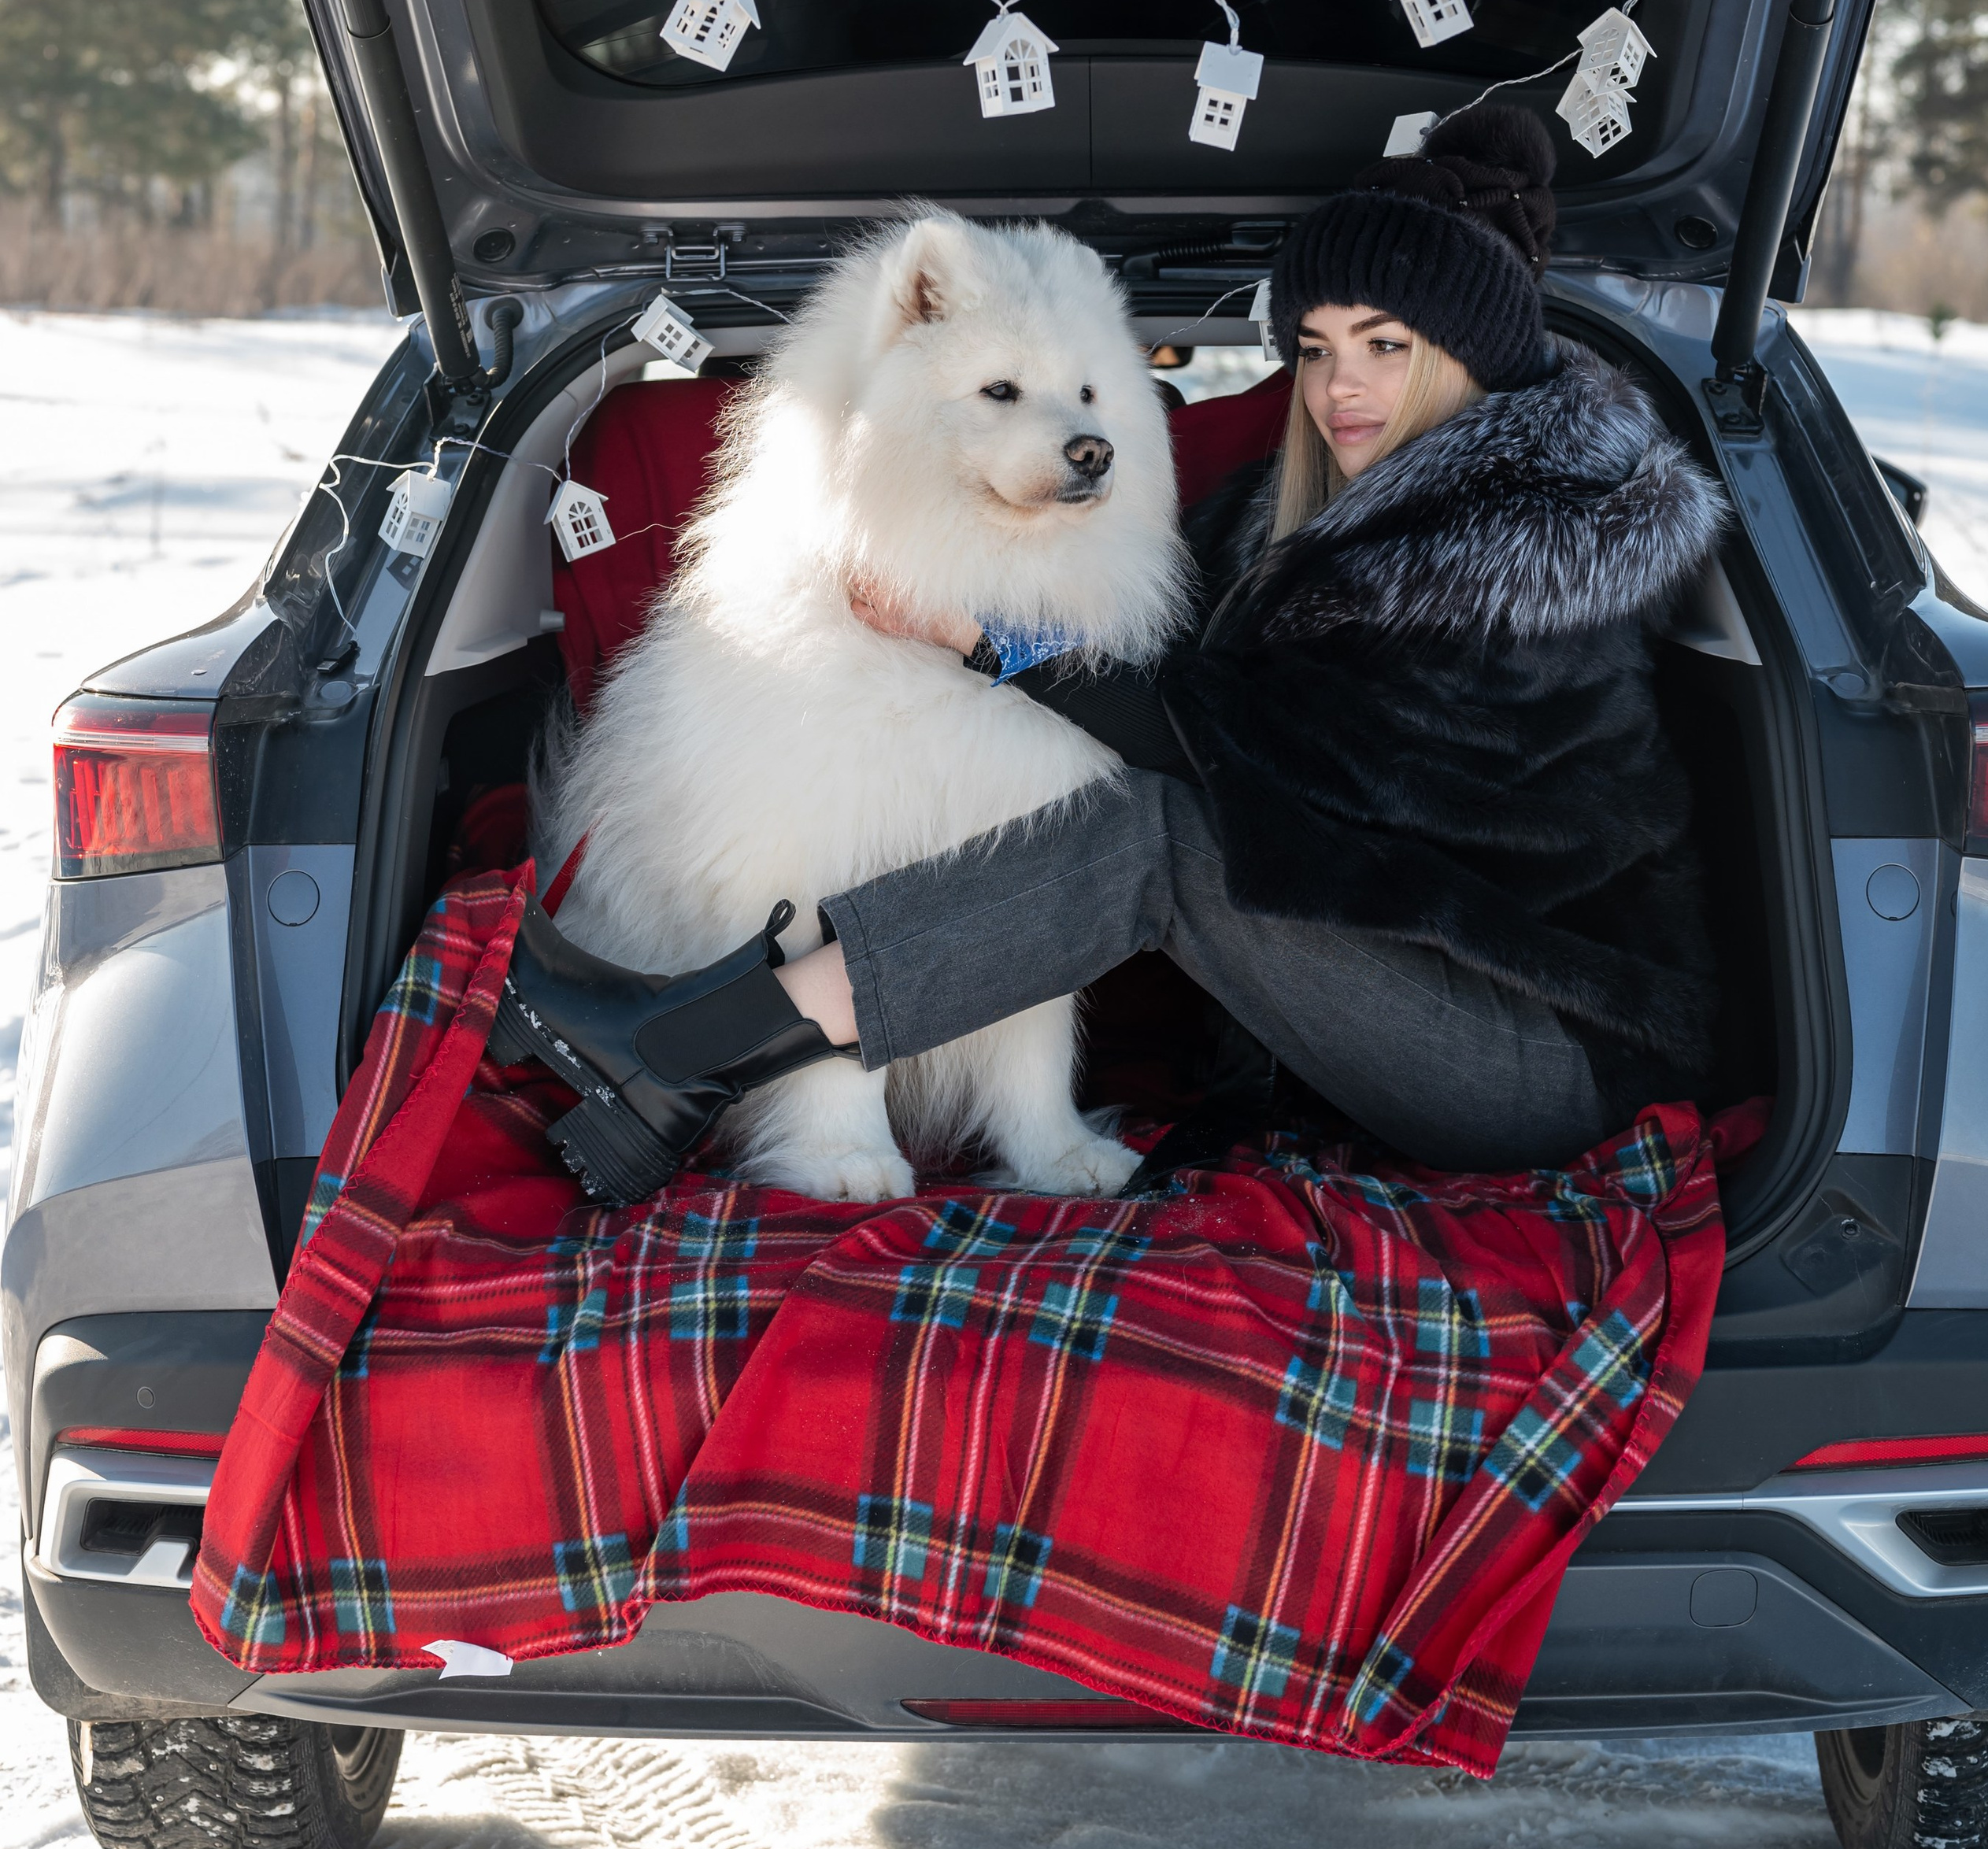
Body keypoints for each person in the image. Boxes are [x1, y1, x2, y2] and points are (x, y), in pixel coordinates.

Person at [497, 104, 1731, 1181]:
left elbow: (1259, 759)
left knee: (1146, 830)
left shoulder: (1530, 556)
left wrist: (980, 635)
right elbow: (1180, 673)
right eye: (1316, 346)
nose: (1339, 387)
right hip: (1410, 982)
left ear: (1468, 355)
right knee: (1135, 809)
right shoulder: (1297, 518)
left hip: (1545, 1045)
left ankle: (680, 1050)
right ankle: (701, 1050)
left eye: (1386, 346)